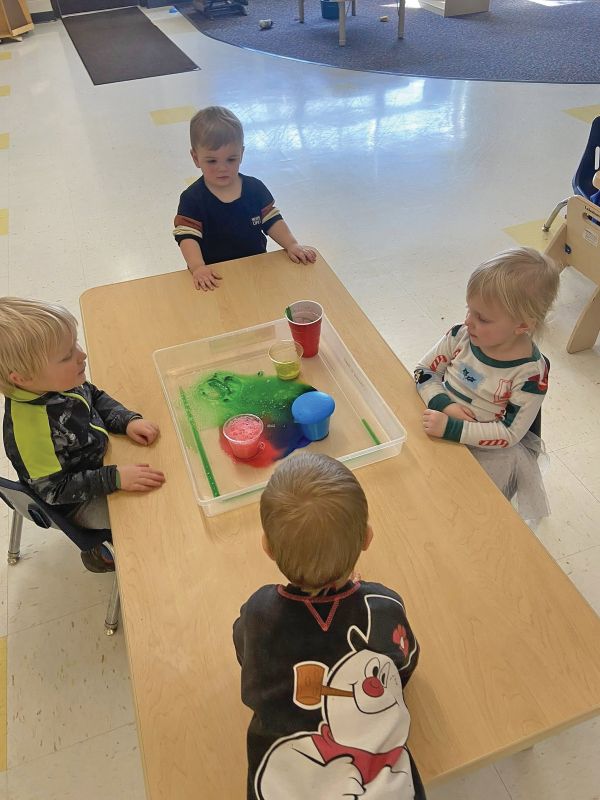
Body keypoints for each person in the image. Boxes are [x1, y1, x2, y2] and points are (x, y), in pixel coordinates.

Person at [233, 453, 425, 800]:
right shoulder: (382, 607)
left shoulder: (258, 613)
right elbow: (405, 665)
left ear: (267, 548)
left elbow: (243, 655)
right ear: (367, 538)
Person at [0, 297, 166, 573]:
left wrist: (125, 421)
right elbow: (55, 490)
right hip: (77, 502)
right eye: (67, 356)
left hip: (95, 460)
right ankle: (98, 553)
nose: (82, 355)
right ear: (22, 378)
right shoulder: (30, 431)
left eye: (74, 344)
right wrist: (115, 478)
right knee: (147, 513)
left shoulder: (55, 381)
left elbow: (94, 395)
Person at [414, 246, 560, 521]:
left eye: (482, 318)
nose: (469, 321)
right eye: (470, 309)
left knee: (472, 515)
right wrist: (445, 406)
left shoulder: (529, 375)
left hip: (490, 451)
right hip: (440, 423)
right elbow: (423, 372)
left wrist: (453, 428)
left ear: (523, 325)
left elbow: (509, 434)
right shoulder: (461, 336)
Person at [173, 105, 317, 291]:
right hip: (213, 276)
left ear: (241, 154)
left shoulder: (255, 188)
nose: (222, 168)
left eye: (231, 159)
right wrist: (198, 267)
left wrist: (291, 244)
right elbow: (187, 238)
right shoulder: (192, 199)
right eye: (212, 161)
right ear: (195, 158)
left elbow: (273, 221)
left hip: (256, 268)